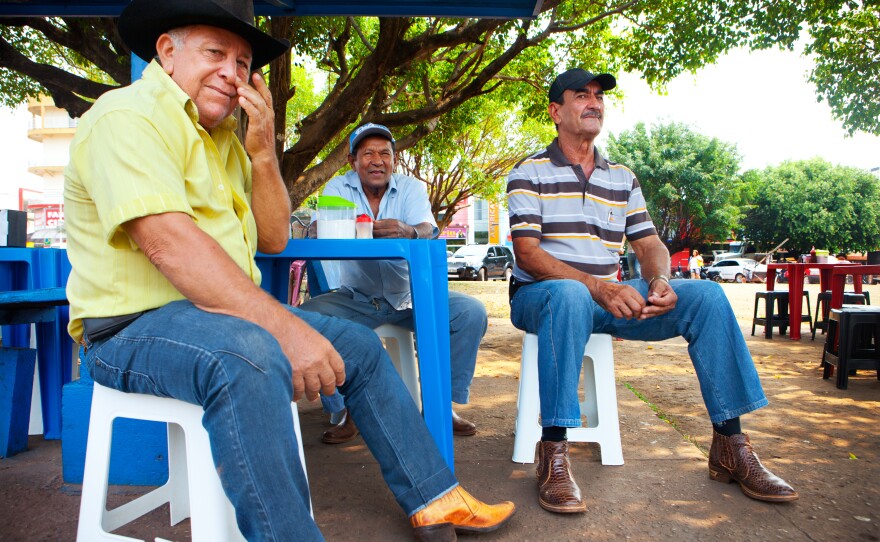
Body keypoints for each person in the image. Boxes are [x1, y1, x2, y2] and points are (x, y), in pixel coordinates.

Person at [63, 1, 515, 540]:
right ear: (167, 51)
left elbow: (274, 237)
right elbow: (171, 247)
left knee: (359, 348)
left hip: (219, 316)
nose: (231, 73)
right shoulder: (126, 116)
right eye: (215, 53)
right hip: (130, 329)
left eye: (242, 61)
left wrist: (260, 150)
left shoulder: (225, 138)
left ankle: (435, 498)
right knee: (248, 356)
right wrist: (282, 328)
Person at [505, 68, 798, 514]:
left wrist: (658, 279)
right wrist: (597, 288)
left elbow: (648, 244)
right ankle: (554, 452)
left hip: (606, 299)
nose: (594, 103)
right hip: (542, 298)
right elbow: (527, 255)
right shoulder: (529, 172)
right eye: (580, 95)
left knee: (708, 298)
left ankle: (730, 444)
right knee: (567, 294)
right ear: (555, 111)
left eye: (599, 96)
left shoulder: (622, 177)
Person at [300, 123, 488, 444]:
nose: (377, 160)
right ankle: (346, 409)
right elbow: (323, 230)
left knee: (470, 312)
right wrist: (329, 229)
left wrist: (409, 231)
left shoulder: (411, 188)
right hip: (356, 298)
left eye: (384, 153)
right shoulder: (337, 189)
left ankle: (440, 406)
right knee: (302, 321)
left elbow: (428, 229)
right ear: (352, 161)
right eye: (368, 153)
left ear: (394, 160)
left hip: (411, 298)